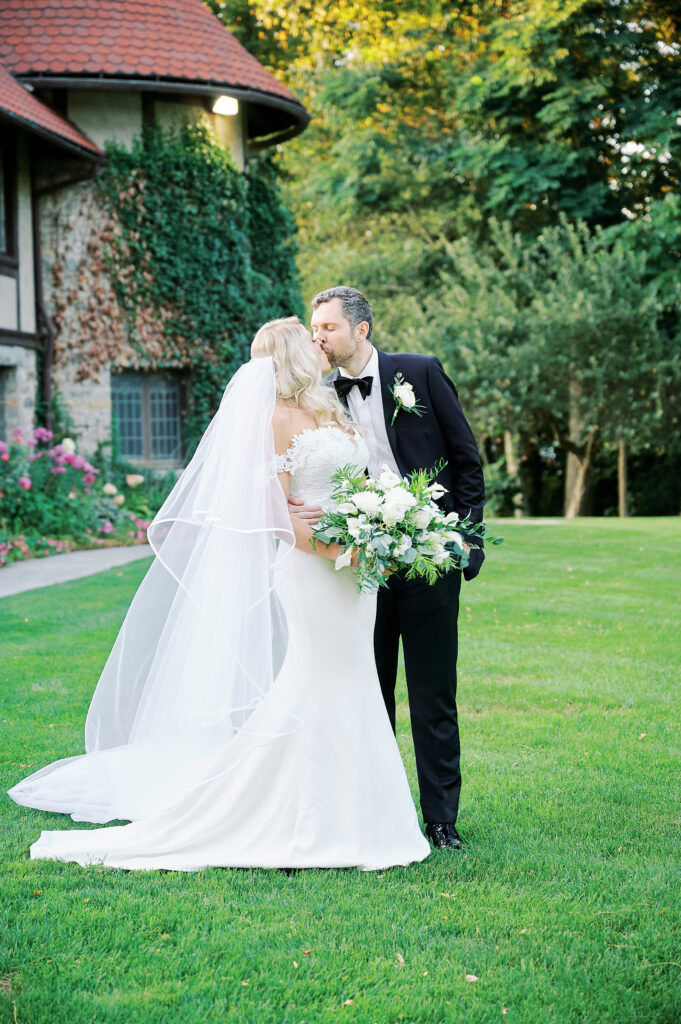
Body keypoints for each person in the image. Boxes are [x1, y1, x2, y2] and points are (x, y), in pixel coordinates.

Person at [8, 317, 429, 872]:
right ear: (291, 354)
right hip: (314, 572)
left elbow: (354, 487)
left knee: (353, 682)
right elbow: (270, 512)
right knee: (317, 682)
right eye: (309, 337)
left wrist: (369, 526)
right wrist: (337, 549)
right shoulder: (274, 419)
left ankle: (364, 815)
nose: (318, 342)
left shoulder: (332, 410)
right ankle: (294, 814)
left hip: (357, 572)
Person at [294, 287, 485, 850]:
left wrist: (464, 545)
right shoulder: (316, 394)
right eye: (314, 328)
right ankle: (372, 814)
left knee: (433, 695)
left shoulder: (420, 374)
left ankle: (442, 820)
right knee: (367, 693)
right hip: (354, 566)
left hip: (428, 559)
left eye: (328, 327)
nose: (318, 338)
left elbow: (466, 460)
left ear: (363, 330)